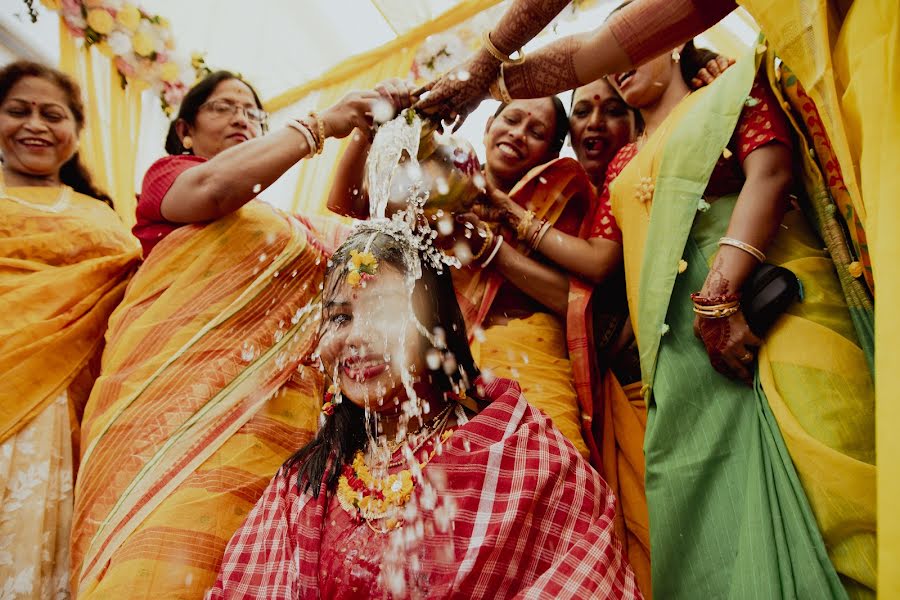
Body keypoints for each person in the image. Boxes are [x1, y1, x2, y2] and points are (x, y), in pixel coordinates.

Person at [69, 71, 399, 599]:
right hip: (166, 412)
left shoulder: (285, 224)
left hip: (272, 425)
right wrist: (322, 124)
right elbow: (214, 188)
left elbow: (356, 230)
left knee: (249, 562)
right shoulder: (172, 178)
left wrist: (365, 131)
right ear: (185, 131)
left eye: (251, 110)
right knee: (155, 558)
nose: (242, 117)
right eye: (223, 108)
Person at [208, 223, 641, 599]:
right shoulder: (306, 483)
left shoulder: (525, 460)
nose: (356, 336)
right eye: (339, 318)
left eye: (385, 312)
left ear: (436, 330)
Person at [592, 37, 873, 597]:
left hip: (775, 305)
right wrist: (502, 223)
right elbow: (603, 257)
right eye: (608, 64)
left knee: (828, 472)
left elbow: (769, 173)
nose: (620, 70)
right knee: (706, 512)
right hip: (677, 354)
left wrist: (720, 297)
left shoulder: (729, 88)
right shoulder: (622, 160)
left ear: (673, 43)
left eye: (632, 48)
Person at [331, 94, 604, 461]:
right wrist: (367, 125)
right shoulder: (442, 180)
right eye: (512, 119)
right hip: (438, 356)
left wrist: (491, 249)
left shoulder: (561, 196)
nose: (519, 133)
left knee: (549, 467)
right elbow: (347, 206)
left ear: (552, 152)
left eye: (536, 131)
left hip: (529, 358)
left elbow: (575, 301)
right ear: (489, 126)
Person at [0, 60, 140, 598]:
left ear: (76, 132)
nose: (35, 124)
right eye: (18, 111)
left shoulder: (101, 216)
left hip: (59, 408)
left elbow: (130, 305)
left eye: (51, 114)